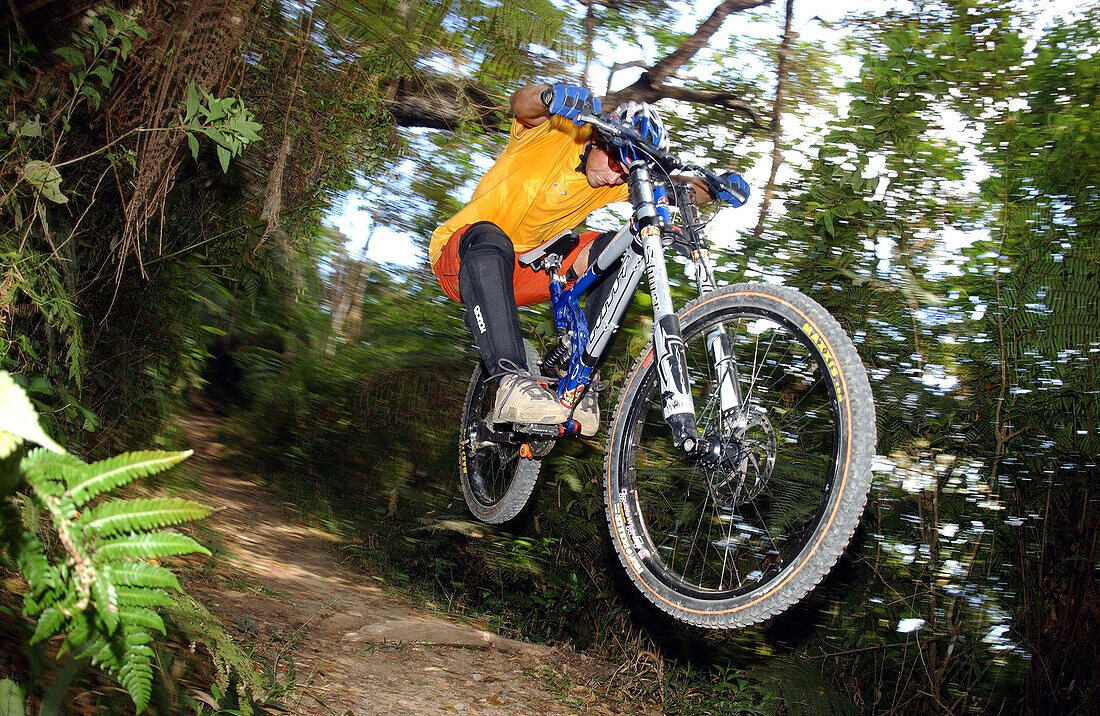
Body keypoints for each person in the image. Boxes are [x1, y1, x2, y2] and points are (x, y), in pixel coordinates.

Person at [429, 82, 720, 435]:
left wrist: (716, 188)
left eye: (624, 173)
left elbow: (678, 188)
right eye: (615, 161)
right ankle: (510, 383)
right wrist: (550, 95)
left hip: (529, 268)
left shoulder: (610, 179)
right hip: (466, 257)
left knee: (620, 248)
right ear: (597, 139)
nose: (614, 177)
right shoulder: (558, 131)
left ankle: (579, 379)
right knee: (491, 235)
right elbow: (521, 104)